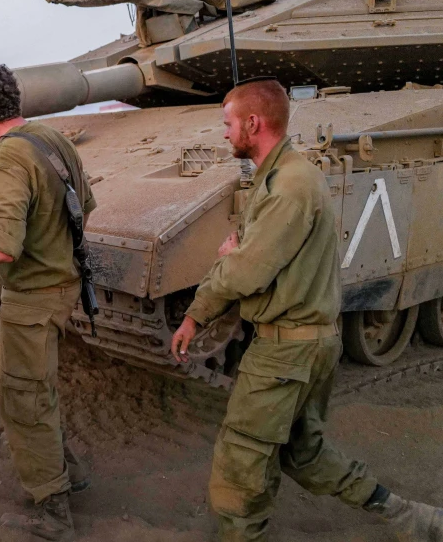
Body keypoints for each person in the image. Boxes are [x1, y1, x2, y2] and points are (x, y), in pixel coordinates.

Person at [170, 78, 443, 541]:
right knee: (304, 453)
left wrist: (202, 304)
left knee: (240, 465)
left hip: (284, 351)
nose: (223, 133)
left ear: (252, 123)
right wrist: (237, 254)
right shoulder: (283, 176)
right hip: (308, 343)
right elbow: (252, 257)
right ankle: (409, 517)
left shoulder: (289, 186)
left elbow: (246, 271)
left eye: (228, 123)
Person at [0, 62, 95, 541]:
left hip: (33, 297)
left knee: (24, 400)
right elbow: (85, 209)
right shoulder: (55, 140)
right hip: (60, 286)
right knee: (20, 381)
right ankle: (66, 471)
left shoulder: (8, 158)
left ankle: (53, 513)